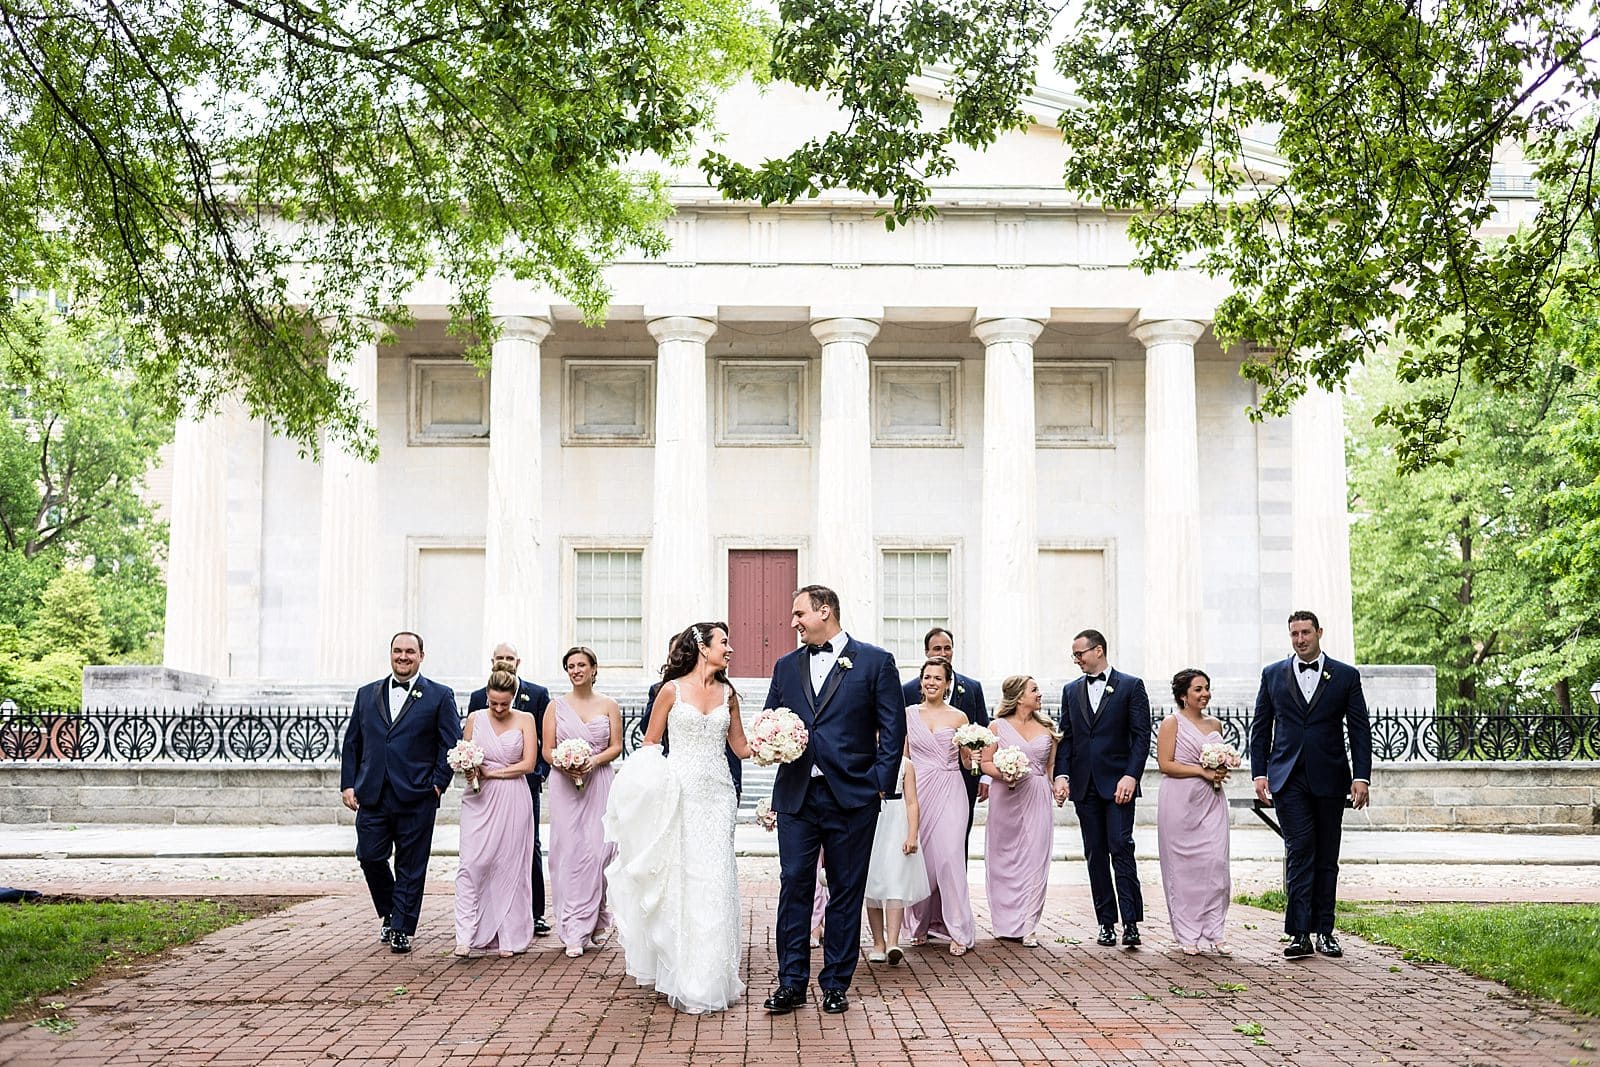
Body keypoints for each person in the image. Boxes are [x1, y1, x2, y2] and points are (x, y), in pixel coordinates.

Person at [762, 584, 905, 1016]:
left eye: (799, 613)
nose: (793, 623)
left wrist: (878, 783)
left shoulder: (875, 662)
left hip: (853, 795)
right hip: (797, 795)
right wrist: (772, 742)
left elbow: (893, 729)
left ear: (825, 612)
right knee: (794, 884)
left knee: (846, 889)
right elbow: (772, 717)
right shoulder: (785, 666)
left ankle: (836, 983)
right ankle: (791, 982)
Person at [605, 622, 752, 1014]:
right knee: (684, 877)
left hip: (719, 794)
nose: (730, 648)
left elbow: (740, 747)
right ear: (703, 648)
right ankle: (683, 972)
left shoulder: (730, 694)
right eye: (724, 641)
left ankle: (712, 974)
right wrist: (648, 790)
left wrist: (776, 742)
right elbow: (650, 743)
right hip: (681, 791)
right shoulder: (671, 691)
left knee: (716, 878)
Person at [1251, 611, 1372, 960]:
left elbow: (1359, 729)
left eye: (1306, 632)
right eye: (1294, 634)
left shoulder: (1346, 676)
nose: (1300, 639)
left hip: (1331, 778)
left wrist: (1360, 776)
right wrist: (1259, 773)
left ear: (1319, 632)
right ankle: (1299, 933)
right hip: (1288, 778)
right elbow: (1261, 727)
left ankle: (1326, 932)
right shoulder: (1272, 674)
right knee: (1300, 849)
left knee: (1326, 856)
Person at [339, 631, 461, 954]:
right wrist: (348, 783)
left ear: (422, 655)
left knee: (411, 863)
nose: (403, 656)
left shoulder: (439, 695)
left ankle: (401, 928)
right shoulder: (367, 694)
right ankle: (391, 910)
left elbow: (451, 743)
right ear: (390, 654)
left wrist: (437, 784)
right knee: (369, 855)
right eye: (397, 651)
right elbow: (353, 742)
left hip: (418, 794)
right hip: (373, 793)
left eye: (410, 651)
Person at [1052, 628, 1151, 948]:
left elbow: (1141, 737)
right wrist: (1062, 775)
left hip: (1118, 783)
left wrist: (1131, 775)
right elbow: (1065, 738)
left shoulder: (1131, 686)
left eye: (1079, 654)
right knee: (1094, 853)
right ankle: (1106, 922)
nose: (1076, 660)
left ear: (1098, 651)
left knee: (1121, 847)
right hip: (1085, 786)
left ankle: (1131, 922)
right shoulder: (1071, 690)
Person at [468, 643, 552, 936]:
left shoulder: (537, 694)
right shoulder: (479, 698)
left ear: (518, 661)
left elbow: (544, 738)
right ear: (492, 661)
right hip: (487, 789)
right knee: (489, 850)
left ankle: (535, 913)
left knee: (530, 847)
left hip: (523, 785)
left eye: (509, 658)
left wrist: (538, 774)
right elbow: (472, 742)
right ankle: (490, 914)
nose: (504, 662)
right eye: (499, 658)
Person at [544, 645, 624, 958]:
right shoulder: (555, 706)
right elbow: (548, 749)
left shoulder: (609, 705)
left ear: (593, 669)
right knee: (567, 853)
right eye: (571, 666)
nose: (576, 670)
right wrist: (563, 762)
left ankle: (591, 919)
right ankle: (572, 929)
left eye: (581, 665)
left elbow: (616, 746)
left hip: (599, 781)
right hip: (564, 784)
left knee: (598, 851)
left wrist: (593, 761)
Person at [454, 669, 539, 957]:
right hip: (479, 798)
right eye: (493, 703)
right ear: (487, 697)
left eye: (504, 703)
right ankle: (465, 934)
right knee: (471, 863)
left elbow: (528, 764)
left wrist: (495, 772)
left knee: (508, 865)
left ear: (513, 697)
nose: (499, 709)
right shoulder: (475, 719)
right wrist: (470, 769)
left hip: (514, 796)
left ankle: (508, 935)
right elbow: (467, 757)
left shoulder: (526, 719)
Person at [903, 657, 979, 955]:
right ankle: (921, 923)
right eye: (927, 677)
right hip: (918, 789)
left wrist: (973, 756)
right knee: (922, 860)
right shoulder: (908, 714)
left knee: (949, 858)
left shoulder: (959, 717)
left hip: (950, 788)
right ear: (921, 681)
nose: (932, 682)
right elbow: (904, 757)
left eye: (938, 678)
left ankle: (959, 929)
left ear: (948, 684)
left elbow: (964, 760)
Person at [1156, 668, 1233, 955]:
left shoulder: (1216, 725)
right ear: (1183, 696)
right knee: (1184, 868)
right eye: (1198, 689)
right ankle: (1187, 933)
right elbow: (1166, 764)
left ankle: (1215, 930)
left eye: (1207, 688)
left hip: (1211, 800)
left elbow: (1219, 762)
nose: (1205, 694)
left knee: (1216, 865)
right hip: (1179, 800)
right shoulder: (1171, 723)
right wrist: (1201, 771)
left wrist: (1221, 768)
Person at [978, 675, 1058, 947]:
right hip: (1006, 795)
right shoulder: (997, 726)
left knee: (1036, 858)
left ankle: (1028, 925)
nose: (1039, 693)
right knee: (1004, 858)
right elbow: (986, 762)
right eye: (1034, 689)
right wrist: (1004, 773)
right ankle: (1004, 922)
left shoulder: (1047, 728)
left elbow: (1051, 769)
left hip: (1036, 794)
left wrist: (1058, 786)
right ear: (1018, 696)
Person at [901, 628, 990, 840]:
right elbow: (903, 753)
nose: (943, 652)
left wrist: (983, 771)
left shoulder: (972, 688)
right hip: (918, 784)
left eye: (947, 648)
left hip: (956, 782)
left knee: (955, 844)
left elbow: (982, 730)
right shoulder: (906, 692)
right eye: (937, 648)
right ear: (926, 651)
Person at [863, 752, 928, 964]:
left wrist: (912, 834)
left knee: (896, 880)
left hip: (896, 824)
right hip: (871, 823)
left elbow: (912, 802)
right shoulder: (864, 760)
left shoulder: (906, 765)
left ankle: (892, 942)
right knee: (872, 883)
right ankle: (878, 943)